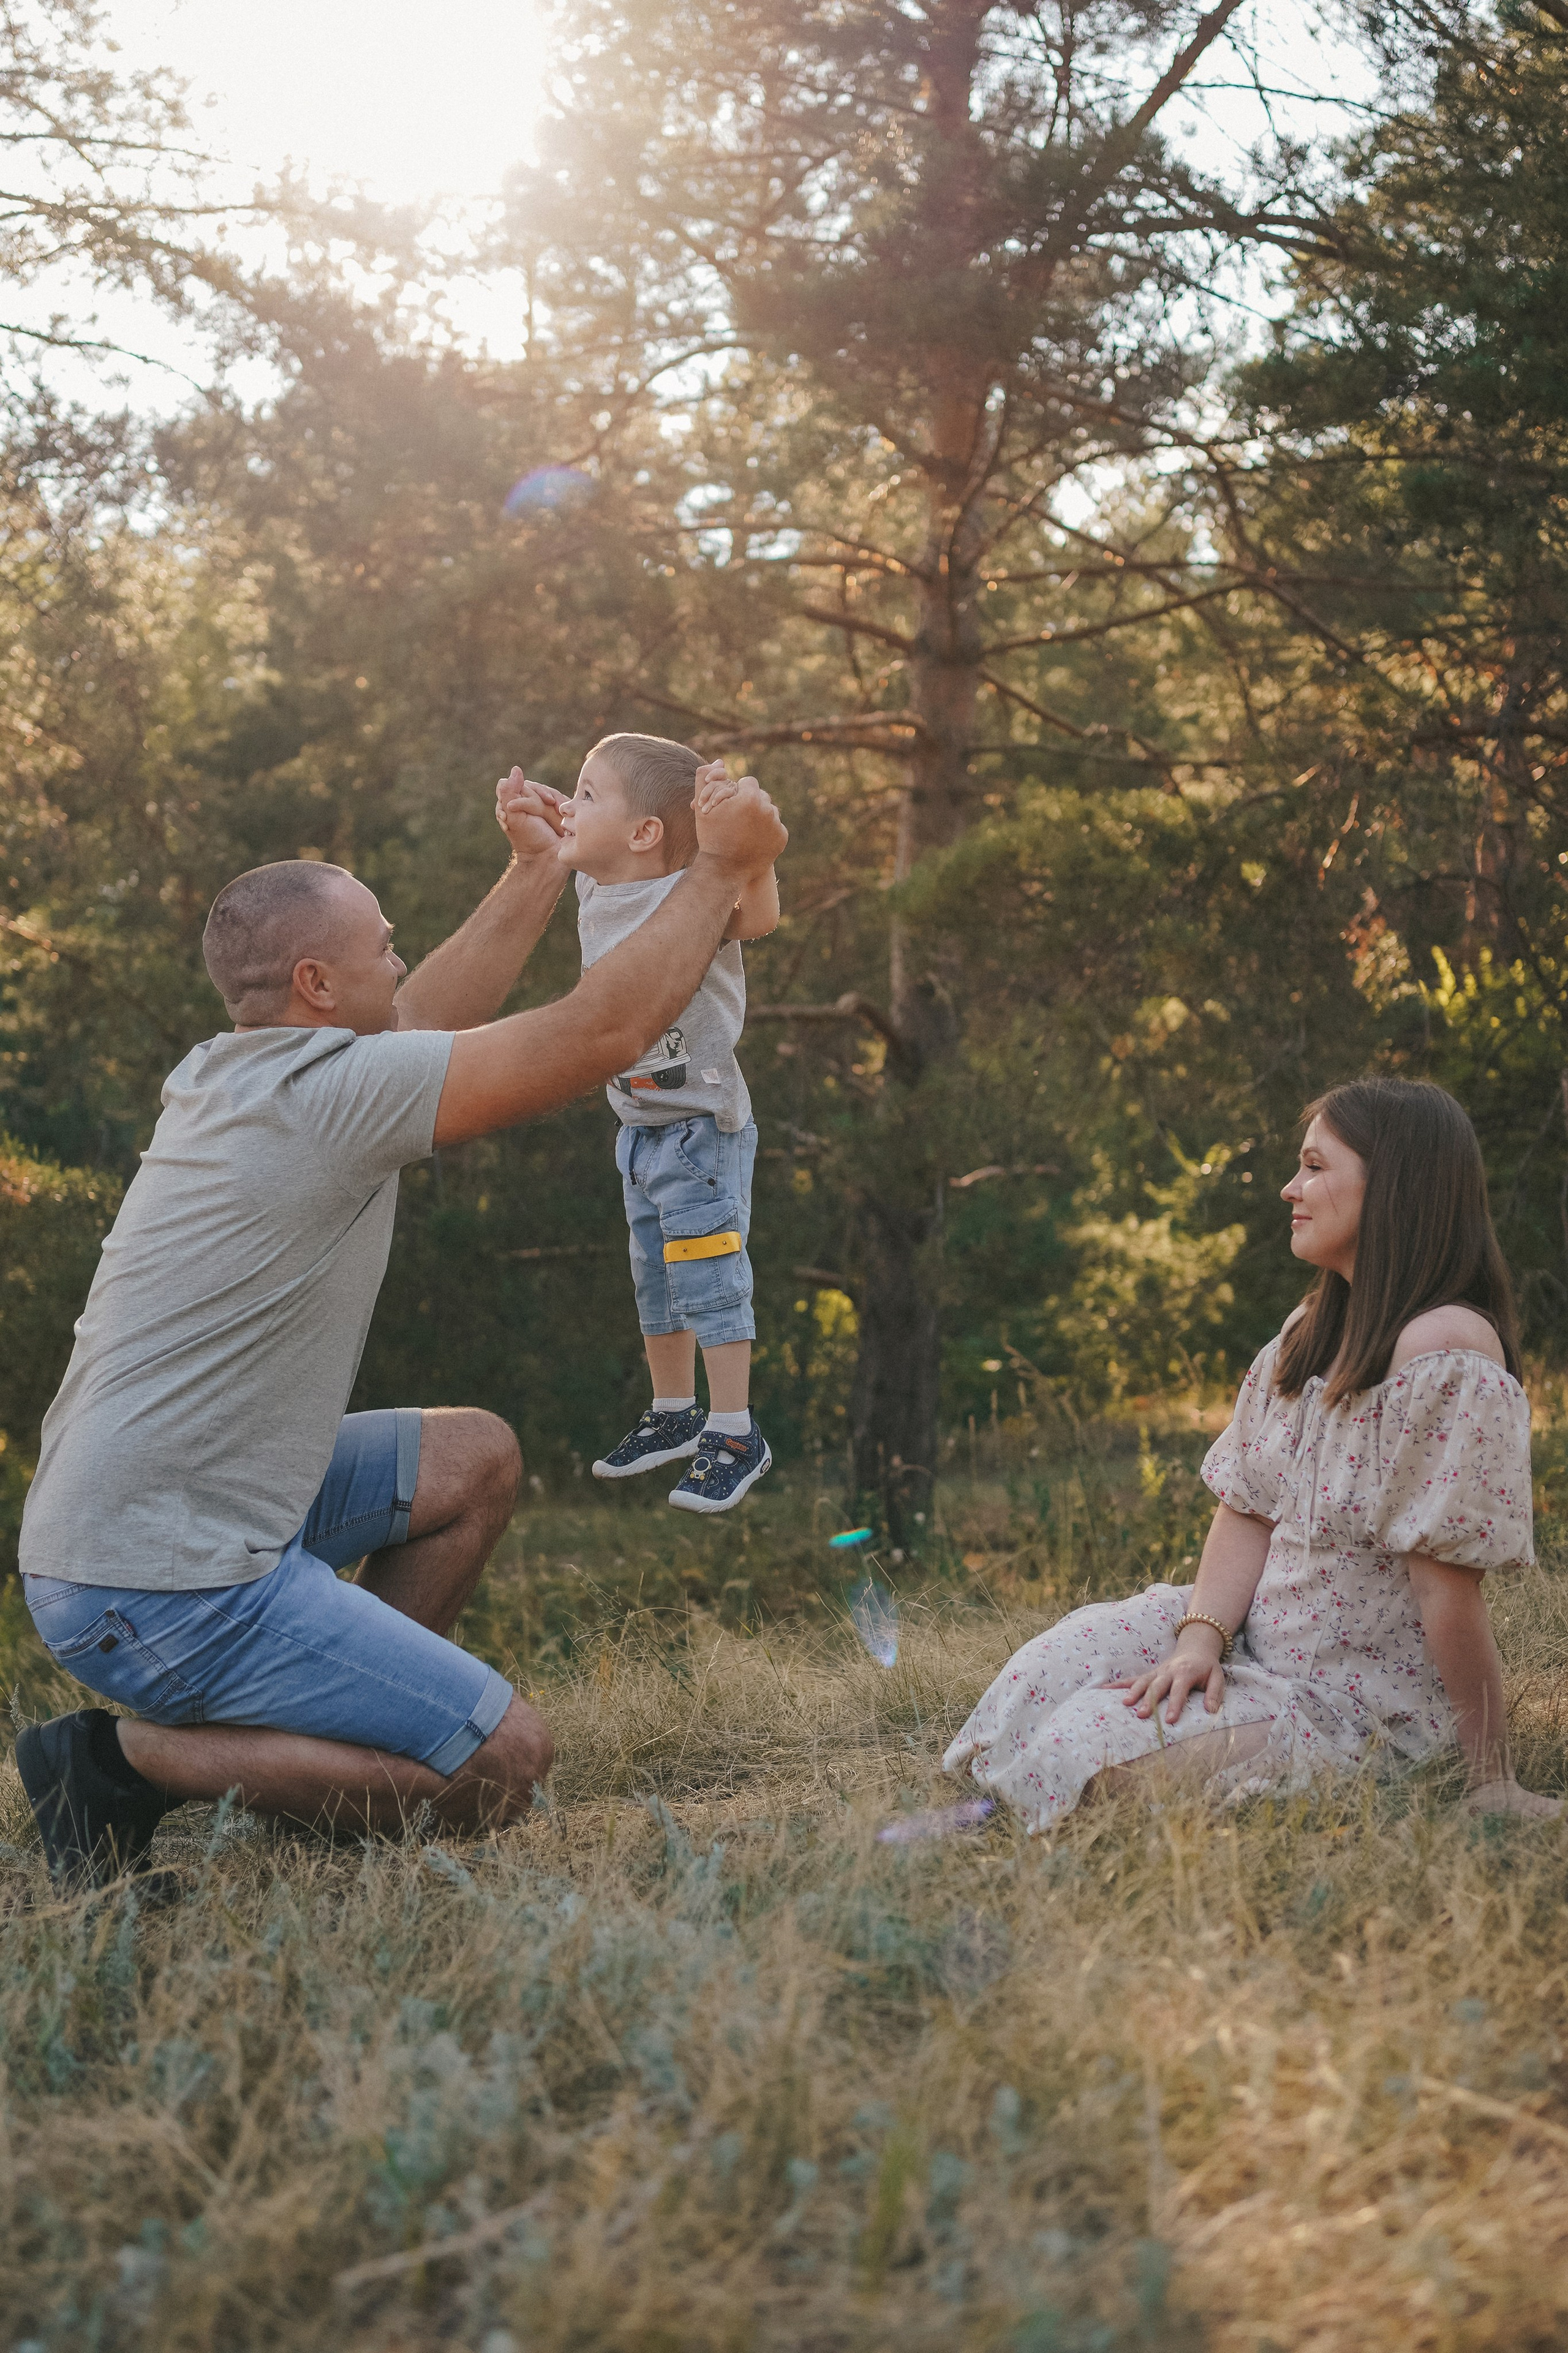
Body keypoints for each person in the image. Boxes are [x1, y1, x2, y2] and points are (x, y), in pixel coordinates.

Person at [15, 766, 788, 1889]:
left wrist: (539, 870)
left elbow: (422, 1011)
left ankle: (325, 1768)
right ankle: (123, 1763)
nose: (400, 955)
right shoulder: (332, 1097)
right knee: (502, 1769)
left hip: (139, 1525)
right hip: (155, 1587)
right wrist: (718, 868)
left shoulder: (239, 1070)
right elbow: (606, 1029)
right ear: (318, 981)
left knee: (471, 1455)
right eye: (383, 941)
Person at [944, 1077, 1560, 1829]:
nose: (1289, 1187)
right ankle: (1067, 1760)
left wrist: (1489, 1778)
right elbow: (1246, 1509)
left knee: (1086, 1765)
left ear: (1393, 1185)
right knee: (1035, 1684)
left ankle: (1115, 1773)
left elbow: (1447, 1594)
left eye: (1313, 1167)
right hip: (1256, 1645)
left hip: (1354, 1704)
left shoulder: (1443, 1352)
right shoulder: (1311, 1330)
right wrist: (1200, 1641)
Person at [498, 735, 780, 1514]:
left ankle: (734, 1430)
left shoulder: (690, 894)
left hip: (699, 1124)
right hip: (638, 1128)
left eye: (590, 793)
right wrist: (554, 814)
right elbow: (567, 841)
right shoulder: (599, 884)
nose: (572, 805)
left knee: (708, 1273)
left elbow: (757, 916)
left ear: (645, 833)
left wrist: (748, 845)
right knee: (656, 1280)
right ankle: (673, 1413)